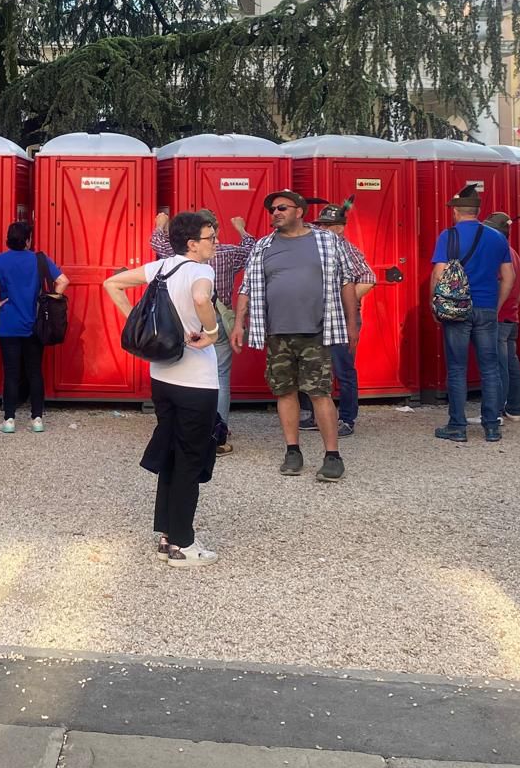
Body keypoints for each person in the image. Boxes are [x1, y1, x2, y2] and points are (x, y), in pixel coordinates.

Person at [104, 211, 221, 566]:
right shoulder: (201, 271)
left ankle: (168, 535)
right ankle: (184, 545)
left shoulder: (161, 267)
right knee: (190, 458)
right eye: (210, 238)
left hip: (162, 378)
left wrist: (136, 320)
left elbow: (111, 284)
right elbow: (200, 299)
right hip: (196, 382)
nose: (215, 243)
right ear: (192, 244)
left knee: (171, 454)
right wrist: (213, 331)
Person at [234, 190, 362, 481]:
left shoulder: (327, 241)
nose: (275, 213)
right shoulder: (263, 246)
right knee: (285, 392)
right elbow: (247, 287)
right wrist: (239, 323)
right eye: (272, 209)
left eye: (281, 208)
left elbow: (346, 281)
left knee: (320, 393)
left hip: (316, 331)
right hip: (277, 334)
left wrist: (352, 323)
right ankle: (293, 451)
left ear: (299, 211)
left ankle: (332, 456)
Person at [151, 210, 253, 451]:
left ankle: (184, 428)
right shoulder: (228, 252)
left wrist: (160, 224)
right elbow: (252, 248)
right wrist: (241, 228)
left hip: (185, 320)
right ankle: (217, 432)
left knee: (180, 372)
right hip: (218, 319)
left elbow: (157, 243)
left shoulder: (178, 254)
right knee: (220, 376)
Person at [429, 185, 514, 443]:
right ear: (478, 211)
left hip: (456, 309)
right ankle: (492, 426)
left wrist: (435, 305)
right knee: (490, 368)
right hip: (486, 307)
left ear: (455, 211)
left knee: (457, 369)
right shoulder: (497, 238)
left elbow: (438, 273)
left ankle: (457, 426)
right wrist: (496, 306)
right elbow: (509, 277)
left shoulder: (449, 235)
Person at [0, 221, 68, 435]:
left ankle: (9, 419)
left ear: (8, 239)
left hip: (8, 325)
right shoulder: (39, 259)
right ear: (28, 240)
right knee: (34, 371)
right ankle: (37, 419)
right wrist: (48, 300)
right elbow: (63, 281)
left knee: (11, 373)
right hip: (34, 324)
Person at [309, 199, 376, 436]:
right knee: (316, 368)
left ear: (339, 227)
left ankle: (347, 419)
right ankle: (318, 417)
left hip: (342, 317)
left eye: (326, 225)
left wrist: (343, 300)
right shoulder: (320, 246)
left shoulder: (347, 249)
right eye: (320, 225)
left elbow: (369, 278)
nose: (321, 228)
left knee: (344, 370)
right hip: (320, 316)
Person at [483, 212, 520, 423]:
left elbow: (503, 283)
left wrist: (494, 309)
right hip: (512, 315)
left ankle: (496, 410)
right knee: (511, 363)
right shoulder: (513, 253)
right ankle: (514, 408)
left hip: (500, 316)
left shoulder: (497, 253)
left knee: (498, 365)